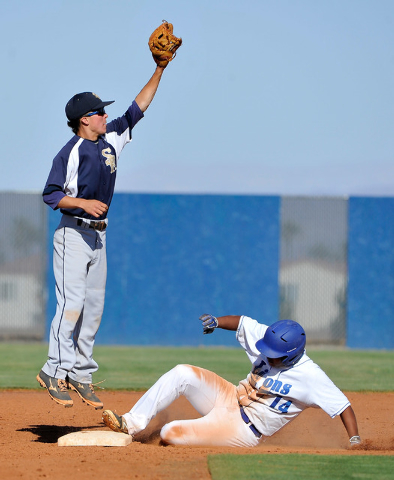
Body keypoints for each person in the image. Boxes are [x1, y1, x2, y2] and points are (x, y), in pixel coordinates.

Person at [37, 61, 168, 410]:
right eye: (99, 112)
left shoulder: (111, 139)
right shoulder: (70, 153)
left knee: (93, 309)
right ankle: (53, 370)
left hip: (99, 239)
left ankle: (80, 374)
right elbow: (50, 194)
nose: (104, 116)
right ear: (84, 119)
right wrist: (82, 202)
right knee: (72, 303)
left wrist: (159, 69)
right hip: (73, 236)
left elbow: (138, 106)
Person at [102, 314, 361, 448]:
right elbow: (242, 323)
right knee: (182, 372)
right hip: (228, 398)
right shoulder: (271, 338)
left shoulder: (311, 376)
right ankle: (131, 423)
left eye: (275, 356)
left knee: (170, 433)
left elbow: (343, 406)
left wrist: (354, 440)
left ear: (292, 355)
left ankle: (191, 430)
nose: (268, 356)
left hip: (244, 431)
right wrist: (217, 322)